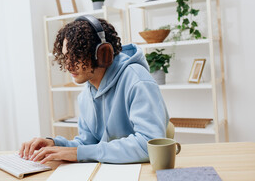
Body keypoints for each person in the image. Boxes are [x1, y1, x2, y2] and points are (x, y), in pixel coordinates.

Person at [19, 15, 169, 164]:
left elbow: (150, 144)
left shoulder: (137, 80)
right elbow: (87, 145)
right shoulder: (86, 95)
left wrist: (79, 153)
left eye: (76, 55)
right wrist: (55, 144)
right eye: (66, 56)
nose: (68, 65)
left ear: (102, 54)